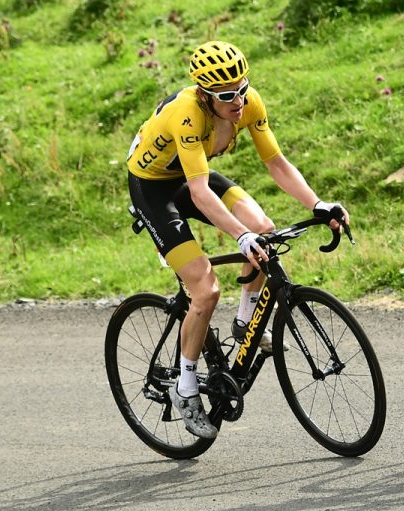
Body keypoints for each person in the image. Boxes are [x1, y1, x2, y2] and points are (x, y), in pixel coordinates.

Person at [127, 40, 348, 438]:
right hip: (154, 189)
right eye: (227, 96)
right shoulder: (188, 115)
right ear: (204, 96)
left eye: (242, 89)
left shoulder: (249, 103)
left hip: (191, 174)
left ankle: (245, 322)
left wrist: (317, 204)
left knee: (264, 230)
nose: (239, 101)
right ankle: (185, 387)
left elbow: (276, 162)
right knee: (206, 291)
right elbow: (199, 193)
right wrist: (239, 235)